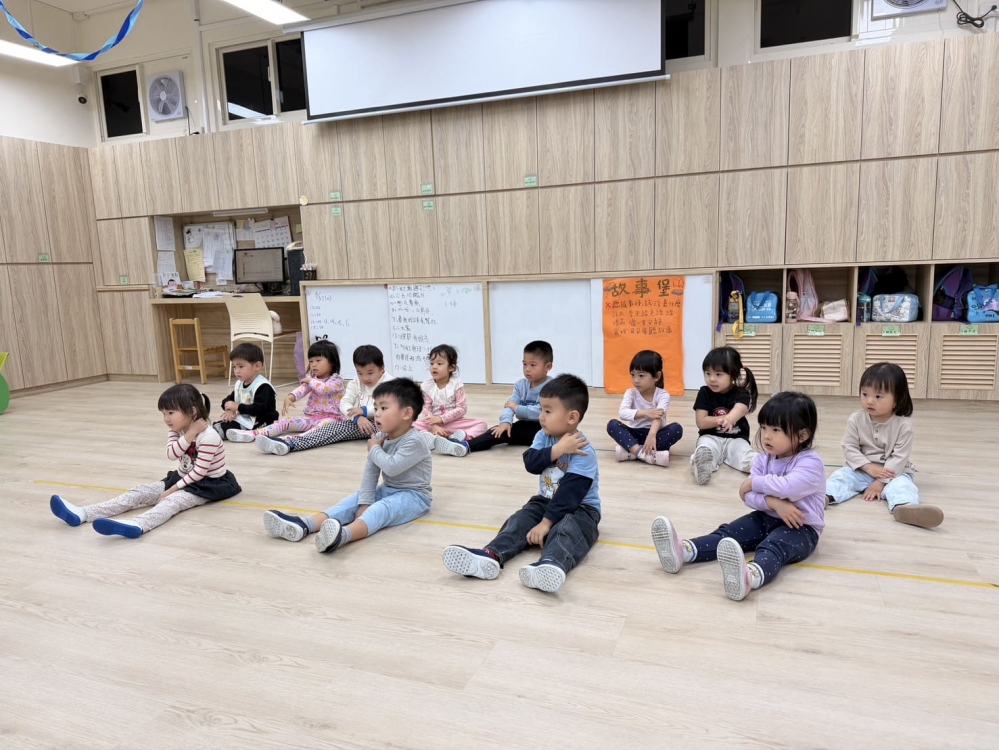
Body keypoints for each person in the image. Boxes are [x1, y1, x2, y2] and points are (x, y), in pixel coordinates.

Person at [651, 391, 824, 601]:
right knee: (728, 533)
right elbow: (748, 497)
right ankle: (684, 550)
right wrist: (773, 503)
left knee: (773, 546)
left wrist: (755, 482)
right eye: (764, 427)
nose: (766, 435)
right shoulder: (763, 459)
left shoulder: (811, 462)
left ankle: (750, 576)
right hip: (766, 514)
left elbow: (789, 487)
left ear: (802, 435)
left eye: (776, 430)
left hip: (802, 528)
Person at [441, 374, 601, 593]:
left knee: (567, 529)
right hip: (545, 501)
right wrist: (557, 450)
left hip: (581, 509)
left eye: (547, 411)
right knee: (520, 520)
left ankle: (551, 564)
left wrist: (545, 524)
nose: (541, 416)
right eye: (541, 409)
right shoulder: (543, 436)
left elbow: (570, 494)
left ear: (572, 417)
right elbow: (531, 463)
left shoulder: (584, 450)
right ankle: (491, 555)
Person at [261, 378, 432, 552]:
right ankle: (305, 524)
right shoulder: (381, 436)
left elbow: (392, 467)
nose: (377, 414)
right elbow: (371, 470)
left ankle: (341, 536)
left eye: (383, 408)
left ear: (406, 413)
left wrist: (374, 449)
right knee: (352, 501)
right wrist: (365, 502)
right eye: (376, 408)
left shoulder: (414, 441)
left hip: (414, 496)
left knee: (381, 509)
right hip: (388, 488)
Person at [49, 384, 241, 538]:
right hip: (181, 477)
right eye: (163, 413)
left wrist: (171, 491)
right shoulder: (177, 430)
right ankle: (83, 513)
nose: (166, 419)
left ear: (192, 411)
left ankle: (137, 525)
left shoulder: (209, 437)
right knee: (140, 491)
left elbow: (199, 473)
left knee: (171, 501)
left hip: (207, 484)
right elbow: (172, 454)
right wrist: (189, 434)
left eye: (171, 413)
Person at [825, 362, 943, 529]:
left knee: (902, 486)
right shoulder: (856, 419)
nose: (869, 401)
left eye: (878, 396)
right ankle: (821, 498)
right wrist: (868, 467)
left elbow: (899, 458)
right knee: (841, 477)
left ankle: (904, 508)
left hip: (894, 473)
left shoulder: (903, 426)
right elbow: (849, 447)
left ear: (897, 400)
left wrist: (880, 482)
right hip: (862, 469)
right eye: (865, 394)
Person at [255, 344, 393, 456]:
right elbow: (344, 403)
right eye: (360, 373)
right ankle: (289, 443)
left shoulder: (391, 383)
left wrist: (363, 411)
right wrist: (357, 418)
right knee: (330, 430)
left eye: (370, 373)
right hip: (360, 423)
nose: (365, 378)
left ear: (382, 368)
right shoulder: (355, 382)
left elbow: (390, 407)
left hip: (385, 425)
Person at [228, 340, 345, 449]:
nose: (313, 364)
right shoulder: (312, 379)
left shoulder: (337, 380)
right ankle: (254, 434)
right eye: (311, 361)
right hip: (311, 417)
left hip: (332, 419)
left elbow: (324, 389)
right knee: (286, 421)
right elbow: (301, 390)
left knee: (318, 430)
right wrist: (290, 397)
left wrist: (310, 381)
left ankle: (288, 441)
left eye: (318, 360)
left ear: (332, 362)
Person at [458, 340, 553, 455]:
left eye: (533, 365)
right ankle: (464, 445)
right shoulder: (520, 385)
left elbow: (541, 412)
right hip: (523, 426)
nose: (527, 369)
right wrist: (505, 422)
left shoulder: (552, 387)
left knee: (552, 441)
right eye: (524, 364)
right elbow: (509, 405)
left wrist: (517, 408)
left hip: (545, 428)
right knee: (498, 431)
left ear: (548, 367)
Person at [690, 346, 759, 485]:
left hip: (736, 438)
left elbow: (740, 408)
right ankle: (702, 466)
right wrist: (723, 420)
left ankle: (762, 465)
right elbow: (701, 422)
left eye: (718, 374)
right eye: (708, 373)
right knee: (705, 448)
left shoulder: (742, 393)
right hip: (710, 436)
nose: (712, 379)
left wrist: (729, 419)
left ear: (733, 375)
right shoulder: (704, 392)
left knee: (745, 456)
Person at [606, 349, 683, 467]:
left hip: (655, 436)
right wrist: (646, 413)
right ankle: (645, 454)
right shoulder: (630, 393)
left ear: (656, 376)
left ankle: (632, 452)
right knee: (612, 425)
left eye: (641, 376)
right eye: (633, 375)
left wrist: (652, 435)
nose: (636, 380)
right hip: (634, 434)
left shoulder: (663, 395)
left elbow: (658, 417)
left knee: (676, 429)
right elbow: (622, 413)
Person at [413, 344, 488, 457]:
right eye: (432, 363)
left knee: (482, 424)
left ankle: (459, 437)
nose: (434, 367)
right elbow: (426, 408)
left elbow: (462, 409)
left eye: (439, 364)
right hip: (432, 424)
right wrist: (433, 425)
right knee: (409, 425)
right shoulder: (427, 385)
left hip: (454, 422)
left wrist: (441, 419)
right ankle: (429, 439)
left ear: (451, 368)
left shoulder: (456, 384)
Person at [212, 343, 278, 440]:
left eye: (241, 366)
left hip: (263, 420)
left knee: (232, 426)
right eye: (234, 367)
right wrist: (229, 408)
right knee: (225, 421)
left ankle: (242, 434)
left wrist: (237, 407)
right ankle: (220, 430)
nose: (237, 371)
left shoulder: (263, 387)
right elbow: (228, 399)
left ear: (257, 366)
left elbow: (258, 409)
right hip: (247, 417)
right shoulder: (240, 384)